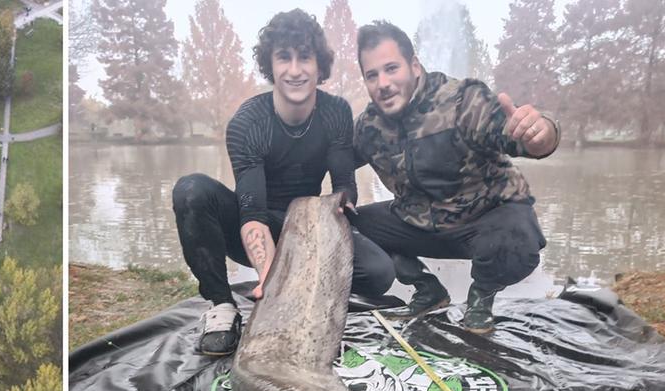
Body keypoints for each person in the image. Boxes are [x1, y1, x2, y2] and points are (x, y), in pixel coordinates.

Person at [172, 10, 394, 356]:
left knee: (380, 273)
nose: (294, 70)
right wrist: (268, 281)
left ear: (319, 66)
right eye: (284, 58)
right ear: (270, 65)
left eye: (305, 58)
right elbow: (252, 212)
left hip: (308, 227)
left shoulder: (336, 112)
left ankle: (308, 295)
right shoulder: (247, 122)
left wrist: (342, 207)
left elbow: (343, 184)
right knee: (191, 190)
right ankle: (222, 307)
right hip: (253, 225)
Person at [350, 21, 560, 334]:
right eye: (372, 75)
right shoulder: (368, 127)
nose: (383, 83)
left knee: (519, 236)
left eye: (391, 68)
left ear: (415, 66)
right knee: (348, 223)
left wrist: (542, 133)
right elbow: (334, 160)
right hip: (419, 223)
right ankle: (427, 290)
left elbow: (523, 137)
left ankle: (480, 298)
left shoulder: (462, 101)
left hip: (482, 221)